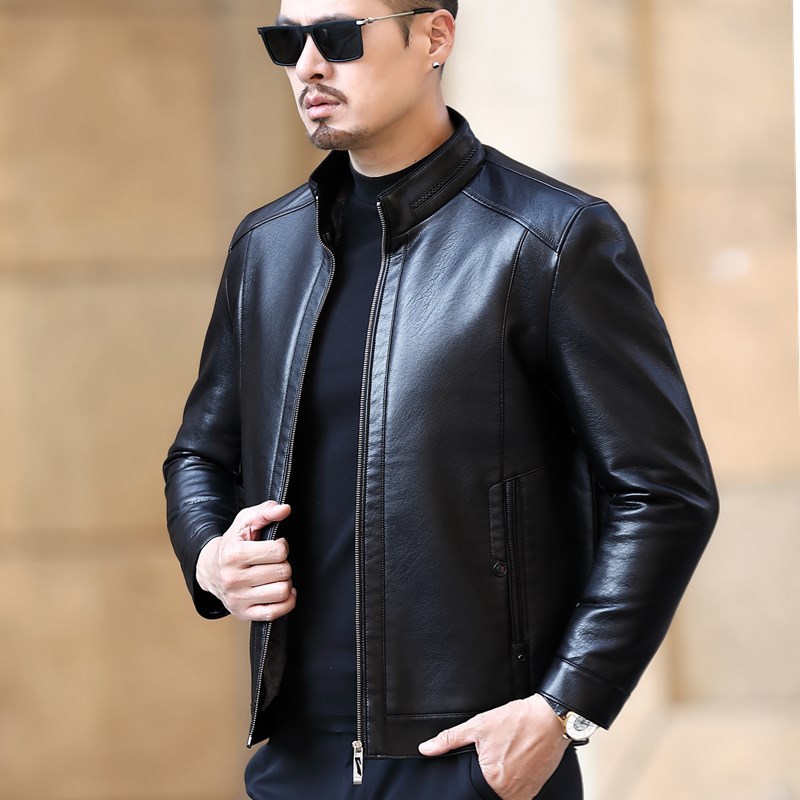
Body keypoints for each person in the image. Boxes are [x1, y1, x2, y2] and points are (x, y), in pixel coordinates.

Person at [163, 1, 718, 798]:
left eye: (339, 37)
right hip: (296, 760)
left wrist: (562, 708)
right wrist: (210, 556)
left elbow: (663, 492)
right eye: (286, 41)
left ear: (434, 36)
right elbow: (200, 453)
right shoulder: (267, 248)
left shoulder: (548, 241)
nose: (308, 65)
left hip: (472, 762)